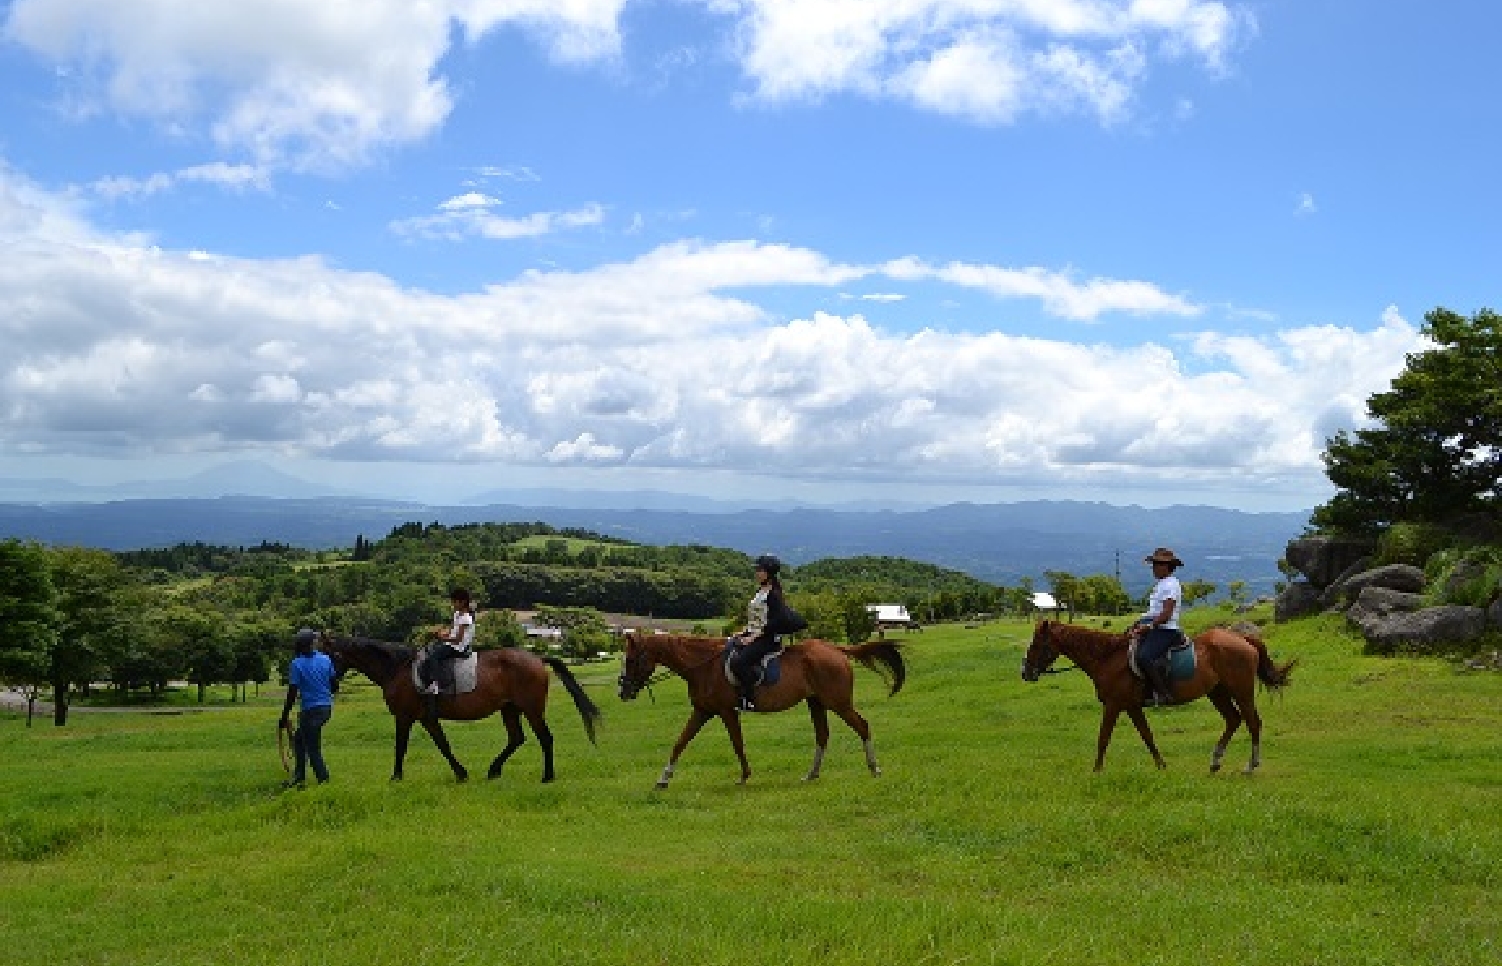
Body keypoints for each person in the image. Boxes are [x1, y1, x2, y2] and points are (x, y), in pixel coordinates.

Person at [279, 628, 337, 789]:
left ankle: (324, 781)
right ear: (312, 644)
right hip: (326, 708)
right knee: (299, 740)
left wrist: (284, 716)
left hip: (310, 711)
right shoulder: (325, 659)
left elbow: (292, 693)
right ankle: (299, 776)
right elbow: (334, 685)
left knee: (312, 748)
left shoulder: (297, 664)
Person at [728, 555, 787, 712]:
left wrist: (752, 638)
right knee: (727, 648)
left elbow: (774, 622)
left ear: (769, 573)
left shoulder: (774, 595)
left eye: (760, 570)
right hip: (754, 635)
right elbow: (757, 619)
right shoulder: (760, 590)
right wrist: (743, 632)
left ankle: (749, 699)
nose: (757, 572)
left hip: (768, 639)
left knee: (739, 662)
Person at [1128, 548, 1185, 707]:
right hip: (1157, 627)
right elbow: (1154, 611)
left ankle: (1162, 693)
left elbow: (1166, 614)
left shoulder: (1171, 586)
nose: (1154, 568)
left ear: (1167, 567)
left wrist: (1148, 626)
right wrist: (1139, 622)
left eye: (1157, 564)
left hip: (1166, 630)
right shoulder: (1162, 584)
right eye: (1153, 564)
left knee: (1144, 656)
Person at [420, 588, 477, 705]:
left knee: (433, 657)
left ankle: (436, 684)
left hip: (459, 647)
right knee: (430, 648)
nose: (453, 604)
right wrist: (438, 633)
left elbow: (458, 639)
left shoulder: (466, 619)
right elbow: (451, 630)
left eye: (454, 602)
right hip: (451, 643)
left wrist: (442, 638)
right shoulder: (457, 614)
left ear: (462, 602)